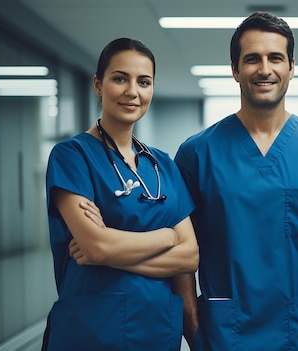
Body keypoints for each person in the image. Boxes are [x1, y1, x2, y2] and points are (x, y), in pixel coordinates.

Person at [173, 11, 298, 351]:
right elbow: (180, 247)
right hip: (225, 334)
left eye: (275, 58)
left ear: (291, 66)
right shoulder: (197, 154)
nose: (264, 69)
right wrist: (195, 330)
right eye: (251, 59)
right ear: (234, 69)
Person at [42, 37, 199, 351]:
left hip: (155, 331)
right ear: (98, 85)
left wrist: (114, 249)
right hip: (90, 333)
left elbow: (190, 256)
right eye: (119, 78)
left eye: (144, 81)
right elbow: (98, 247)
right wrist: (167, 237)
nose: (133, 91)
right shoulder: (72, 156)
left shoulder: (163, 165)